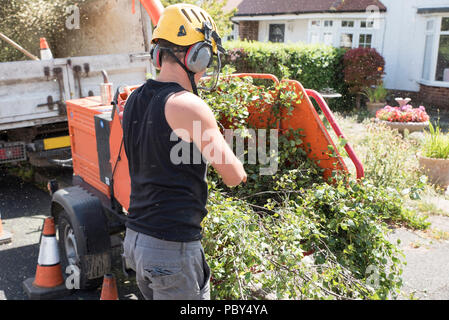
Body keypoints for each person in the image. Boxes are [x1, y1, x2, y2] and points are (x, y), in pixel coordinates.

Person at [121, 3, 247, 300]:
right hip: (171, 249)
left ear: (158, 53)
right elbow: (233, 175)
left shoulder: (133, 99)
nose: (205, 69)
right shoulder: (188, 105)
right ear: (195, 55)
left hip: (137, 241)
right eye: (206, 57)